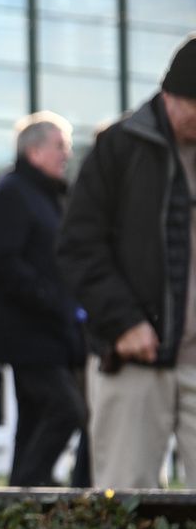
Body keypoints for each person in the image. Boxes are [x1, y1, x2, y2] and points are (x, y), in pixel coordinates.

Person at [58, 33, 196, 489]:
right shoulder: (118, 147)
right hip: (134, 358)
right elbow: (78, 246)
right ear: (170, 94)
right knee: (125, 504)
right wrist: (123, 323)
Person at [0, 112, 85, 487]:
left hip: (49, 331)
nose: (66, 154)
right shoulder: (12, 193)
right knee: (66, 410)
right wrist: (49, 298)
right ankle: (30, 486)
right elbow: (0, 260)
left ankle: (20, 499)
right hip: (29, 333)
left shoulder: (47, 196)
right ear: (35, 151)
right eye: (60, 146)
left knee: (34, 419)